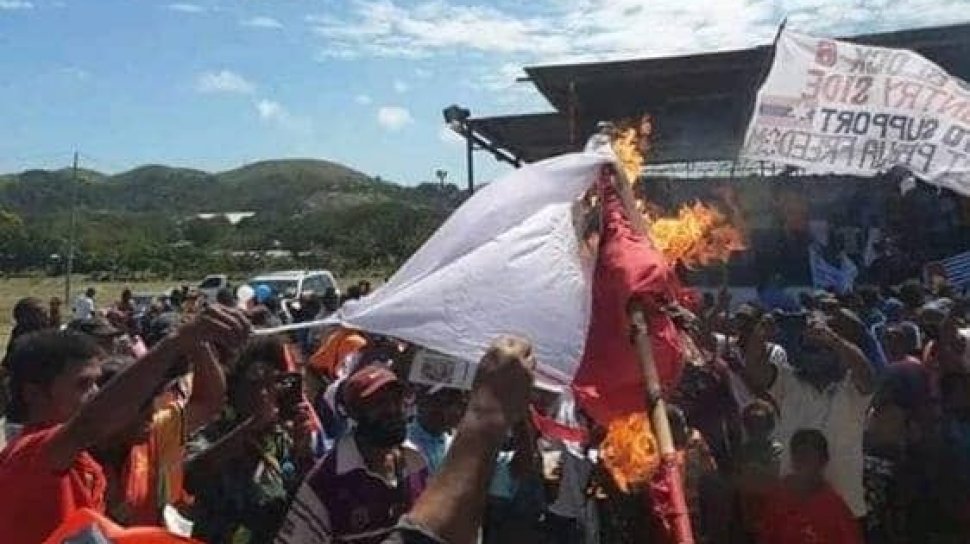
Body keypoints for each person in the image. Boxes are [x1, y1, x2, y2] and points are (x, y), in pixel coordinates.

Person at [0, 306, 250, 544]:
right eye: (83, 385)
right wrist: (175, 343)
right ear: (34, 394)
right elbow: (89, 423)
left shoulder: (82, 461)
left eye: (98, 384)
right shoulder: (27, 455)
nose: (95, 394)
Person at [739, 311, 874, 518]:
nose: (816, 355)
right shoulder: (787, 381)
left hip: (844, 508)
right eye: (810, 348)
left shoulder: (851, 388)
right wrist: (760, 333)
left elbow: (867, 375)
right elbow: (754, 370)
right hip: (795, 507)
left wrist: (833, 339)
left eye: (823, 349)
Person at [185, 335, 318, 543]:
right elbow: (192, 477)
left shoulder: (281, 437)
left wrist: (303, 450)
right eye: (258, 383)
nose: (268, 392)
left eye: (277, 382)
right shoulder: (214, 432)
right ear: (235, 387)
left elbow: (300, 498)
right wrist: (250, 427)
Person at [275, 364, 428, 544]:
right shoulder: (327, 481)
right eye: (380, 403)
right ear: (355, 414)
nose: (392, 410)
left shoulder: (416, 462)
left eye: (396, 400)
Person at [91, 333, 227, 526]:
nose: (151, 412)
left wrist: (198, 342)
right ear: (111, 410)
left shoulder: (152, 433)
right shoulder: (75, 462)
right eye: (142, 405)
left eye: (152, 401)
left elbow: (209, 401)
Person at [759, 429, 863, 544]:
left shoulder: (835, 509)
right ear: (793, 460)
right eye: (801, 458)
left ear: (823, 462)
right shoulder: (777, 499)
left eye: (810, 458)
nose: (805, 465)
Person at [407, 387, 465, 475]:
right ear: (423, 402)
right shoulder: (403, 442)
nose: (458, 411)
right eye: (449, 402)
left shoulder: (456, 445)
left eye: (460, 404)